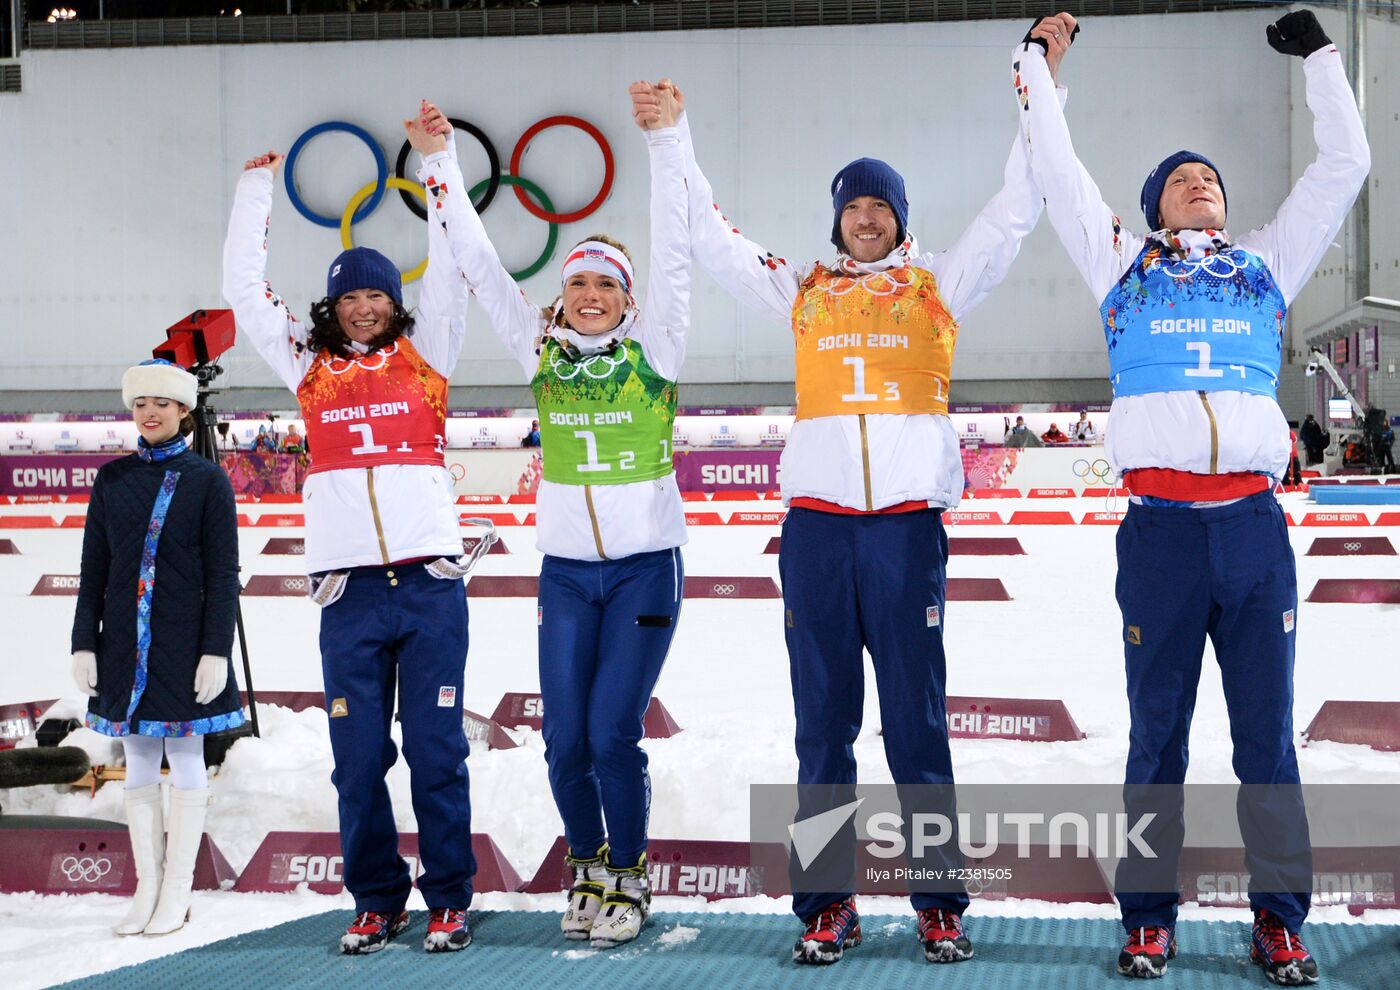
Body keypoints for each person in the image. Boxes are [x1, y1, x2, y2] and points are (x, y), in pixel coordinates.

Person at [638, 47, 1057, 966]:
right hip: (820, 534)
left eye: (880, 206)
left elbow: (1018, 207)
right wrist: (675, 138)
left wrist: (1041, 88)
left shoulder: (939, 284)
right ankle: (826, 903)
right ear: (837, 219)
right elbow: (711, 237)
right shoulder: (803, 290)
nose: (866, 219)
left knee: (917, 724)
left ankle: (939, 901)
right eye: (853, 206)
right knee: (821, 724)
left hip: (907, 532)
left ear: (900, 218)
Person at [1014, 11, 1369, 982]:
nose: (1198, 182)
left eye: (1206, 176)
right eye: (1178, 179)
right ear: (1151, 208)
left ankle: (1278, 918)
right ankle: (1144, 916)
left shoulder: (1263, 266)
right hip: (1160, 534)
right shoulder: (1119, 265)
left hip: (1252, 531)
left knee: (1264, 738)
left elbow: (1343, 164)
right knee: (1154, 736)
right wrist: (1036, 64)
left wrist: (1323, 62)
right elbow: (1055, 169)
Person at [428, 87, 689, 948]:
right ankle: (587, 863)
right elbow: (481, 267)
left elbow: (677, 253)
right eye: (574, 282)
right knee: (562, 742)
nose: (586, 295)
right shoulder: (538, 354)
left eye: (601, 284)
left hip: (647, 568)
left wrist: (662, 143)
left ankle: (630, 873)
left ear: (624, 296)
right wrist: (438, 162)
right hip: (568, 574)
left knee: (614, 732)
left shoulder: (657, 353)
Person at [222, 101, 477, 955]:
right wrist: (255, 193)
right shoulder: (306, 364)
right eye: (350, 296)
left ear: (394, 302)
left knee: (437, 753)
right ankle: (377, 898)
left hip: (431, 584)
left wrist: (438, 161)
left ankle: (448, 898)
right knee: (357, 761)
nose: (364, 307)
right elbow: (241, 294)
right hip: (349, 593)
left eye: (376, 294)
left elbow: (454, 259)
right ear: (330, 306)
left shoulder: (430, 349)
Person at [71, 358, 243, 937]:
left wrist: (216, 649)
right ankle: (148, 886)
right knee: (138, 758)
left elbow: (223, 573)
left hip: (183, 642)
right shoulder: (112, 480)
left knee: (187, 757)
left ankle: (179, 891)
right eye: (140, 404)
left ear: (184, 412)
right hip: (122, 642)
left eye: (161, 404)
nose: (149, 413)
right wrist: (83, 642)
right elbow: (94, 566)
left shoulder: (207, 481)